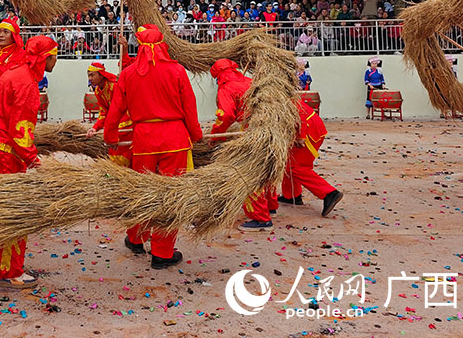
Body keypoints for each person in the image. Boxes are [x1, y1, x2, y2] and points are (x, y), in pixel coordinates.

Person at [104, 25, 202, 269]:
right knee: (170, 196)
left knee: (142, 193)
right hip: (175, 139)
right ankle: (162, 252)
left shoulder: (127, 74)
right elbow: (190, 108)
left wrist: (111, 136)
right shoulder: (177, 71)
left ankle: (136, 238)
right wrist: (197, 135)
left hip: (144, 140)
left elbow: (115, 109)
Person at [0, 35, 58, 288]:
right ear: (46, 58)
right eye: (55, 56)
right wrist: (36, 162)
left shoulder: (15, 72)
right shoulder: (28, 85)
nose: (56, 61)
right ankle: (8, 270)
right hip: (2, 149)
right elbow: (19, 133)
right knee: (11, 209)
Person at [208, 58, 278, 231]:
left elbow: (225, 116)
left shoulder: (226, 88)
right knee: (264, 168)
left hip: (249, 133)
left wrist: (215, 136)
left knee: (247, 173)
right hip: (267, 129)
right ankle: (271, 204)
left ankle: (261, 218)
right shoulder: (249, 81)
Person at [278, 101, 343, 217]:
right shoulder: (279, 95)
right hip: (307, 130)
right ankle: (292, 196)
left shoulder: (281, 98)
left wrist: (301, 136)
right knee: (289, 163)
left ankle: (329, 193)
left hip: (308, 133)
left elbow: (300, 114)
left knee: (296, 167)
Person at [85, 46, 133, 167]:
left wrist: (112, 128)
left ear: (101, 75)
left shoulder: (115, 86)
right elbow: (104, 113)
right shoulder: (98, 92)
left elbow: (122, 109)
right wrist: (95, 128)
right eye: (89, 76)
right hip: (115, 124)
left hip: (126, 122)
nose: (90, 79)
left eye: (92, 75)